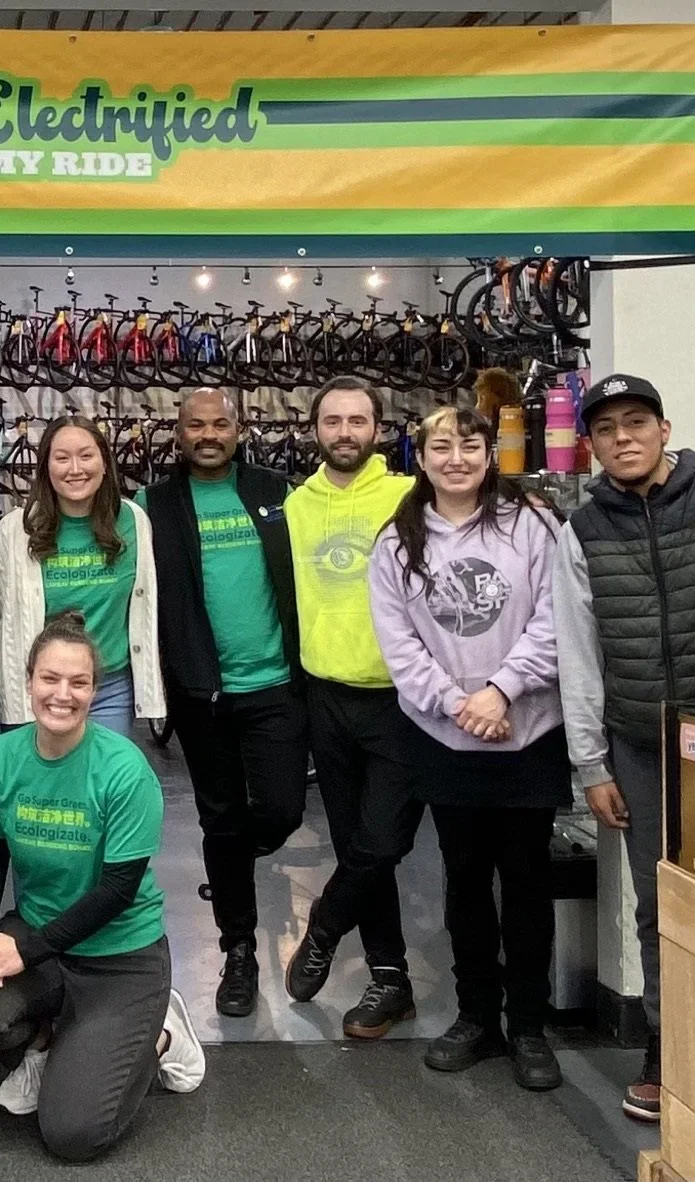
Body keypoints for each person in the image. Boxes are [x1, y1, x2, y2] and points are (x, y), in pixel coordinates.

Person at [555, 374, 695, 1122]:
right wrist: (591, 764)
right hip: (642, 748)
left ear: (663, 428)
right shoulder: (580, 532)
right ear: (591, 444)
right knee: (661, 901)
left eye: (636, 422)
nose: (623, 437)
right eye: (607, 427)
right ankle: (671, 1045)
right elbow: (578, 655)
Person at [0, 611, 205, 1162]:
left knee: (72, 1135)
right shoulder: (1, 757)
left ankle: (159, 1036)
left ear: (94, 690)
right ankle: (43, 1044)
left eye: (78, 683)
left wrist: (24, 951)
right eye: (49, 679)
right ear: (28, 680)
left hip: (120, 956)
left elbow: (117, 891)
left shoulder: (124, 771)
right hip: (43, 946)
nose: (62, 694)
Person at [370, 407, 569, 1091]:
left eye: (471, 445)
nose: (457, 458)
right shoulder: (396, 540)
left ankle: (530, 1028)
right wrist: (459, 703)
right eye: (442, 447)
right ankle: (477, 1016)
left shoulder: (535, 524)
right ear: (420, 457)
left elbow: (556, 615)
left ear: (491, 453)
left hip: (528, 734)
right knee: (464, 885)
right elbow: (398, 644)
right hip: (444, 738)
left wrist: (503, 691)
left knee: (526, 884)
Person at [137, 387, 305, 1018]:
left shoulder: (276, 492)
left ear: (239, 429)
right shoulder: (153, 506)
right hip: (200, 693)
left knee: (283, 808)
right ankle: (239, 951)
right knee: (219, 816)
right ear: (178, 433)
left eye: (220, 424)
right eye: (195, 425)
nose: (208, 434)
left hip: (275, 684)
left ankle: (230, 856)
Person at [283, 376, 421, 1040]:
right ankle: (390, 981)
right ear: (315, 430)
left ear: (379, 429)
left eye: (358, 421)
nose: (345, 432)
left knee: (383, 840)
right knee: (355, 843)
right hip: (325, 697)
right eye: (332, 421)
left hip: (399, 699)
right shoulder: (297, 504)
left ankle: (327, 922)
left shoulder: (406, 497)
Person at [0, 414, 163, 736]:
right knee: (40, 784)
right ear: (46, 469)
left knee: (100, 782)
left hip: (107, 689)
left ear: (105, 463)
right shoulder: (15, 530)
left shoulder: (133, 521)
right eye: (62, 458)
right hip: (36, 690)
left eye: (86, 455)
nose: (75, 469)